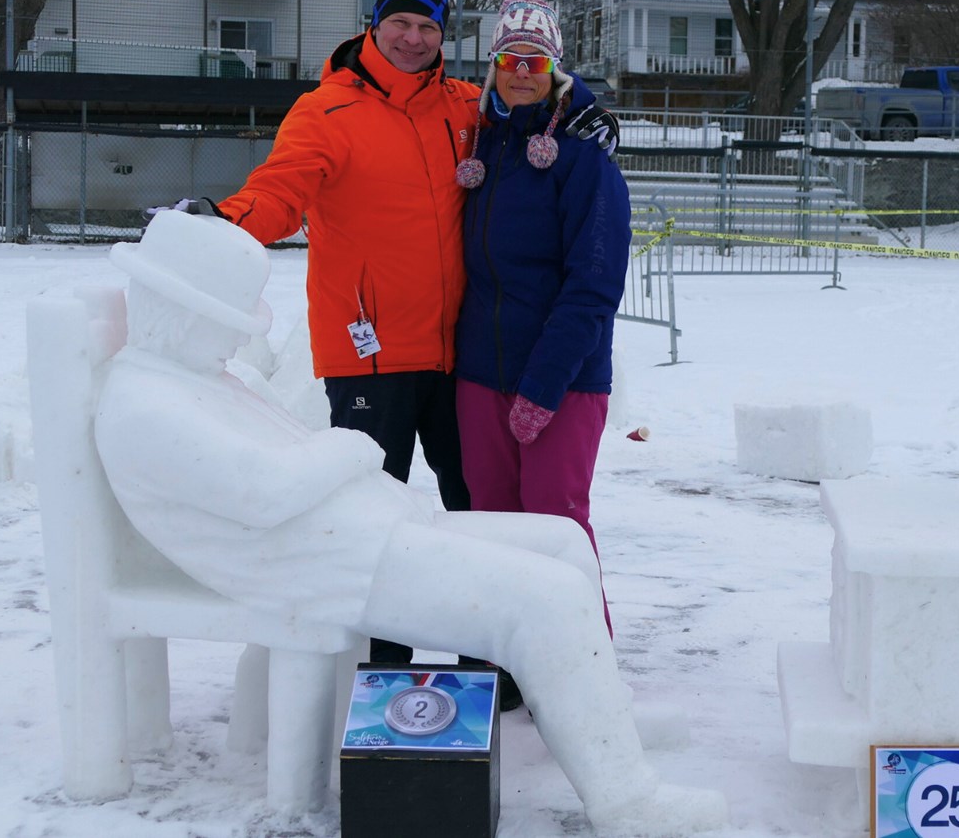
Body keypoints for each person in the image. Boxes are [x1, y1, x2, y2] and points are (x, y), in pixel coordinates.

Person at [94, 210, 727, 836]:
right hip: (323, 563)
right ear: (183, 313)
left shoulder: (195, 377)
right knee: (548, 601)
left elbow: (283, 469)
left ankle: (604, 720)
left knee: (562, 544)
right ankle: (627, 801)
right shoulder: (148, 405)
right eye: (229, 325)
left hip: (362, 528)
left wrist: (346, 467)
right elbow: (266, 491)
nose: (239, 341)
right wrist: (351, 447)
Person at [163, 0, 617, 670]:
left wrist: (586, 108)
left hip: (459, 355)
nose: (413, 38)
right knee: (371, 517)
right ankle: (382, 666)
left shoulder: (462, 106)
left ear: (443, 35)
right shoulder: (325, 111)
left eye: (428, 26)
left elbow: (531, 84)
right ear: (374, 25)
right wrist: (225, 220)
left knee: (479, 515)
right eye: (400, 23)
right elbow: (280, 191)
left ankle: (489, 665)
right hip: (369, 354)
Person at [451, 0, 632, 635]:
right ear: (494, 65)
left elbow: (594, 286)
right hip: (481, 376)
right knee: (493, 524)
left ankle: (582, 663)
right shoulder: (485, 146)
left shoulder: (584, 159)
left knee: (556, 525)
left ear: (555, 67)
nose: (521, 72)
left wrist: (544, 386)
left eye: (535, 60)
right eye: (510, 59)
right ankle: (508, 659)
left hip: (563, 381)